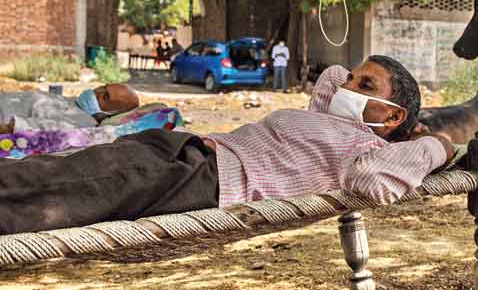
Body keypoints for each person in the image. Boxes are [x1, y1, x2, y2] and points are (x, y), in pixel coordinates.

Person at [0, 56, 454, 234]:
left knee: (62, 189)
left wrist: (439, 144)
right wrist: (353, 79)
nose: (348, 84)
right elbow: (331, 76)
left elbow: (374, 181)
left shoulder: (368, 155)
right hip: (186, 147)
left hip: (204, 178)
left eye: (366, 83)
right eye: (355, 77)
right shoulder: (324, 117)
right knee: (68, 167)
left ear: (393, 116)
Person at [0, 84, 141, 133]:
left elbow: (10, 128)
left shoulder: (81, 123)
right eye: (103, 87)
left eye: (105, 97)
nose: (96, 91)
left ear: (111, 113)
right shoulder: (75, 102)